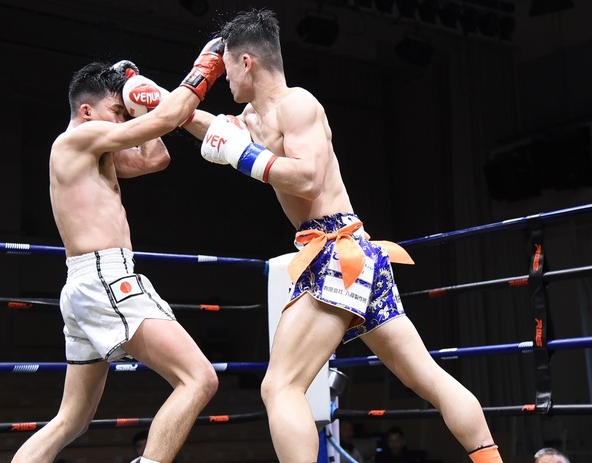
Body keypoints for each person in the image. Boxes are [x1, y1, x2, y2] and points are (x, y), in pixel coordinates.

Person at [195, 8, 505, 463]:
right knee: (428, 378)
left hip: (336, 251)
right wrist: (166, 94)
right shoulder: (252, 120)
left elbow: (307, 180)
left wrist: (245, 157)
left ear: (247, 62)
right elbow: (210, 128)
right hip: (354, 254)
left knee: (281, 386)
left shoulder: (297, 104)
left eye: (225, 69)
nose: (223, 78)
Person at [11, 37, 226, 463]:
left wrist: (135, 102)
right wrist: (204, 69)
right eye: (116, 111)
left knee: (72, 420)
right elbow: (166, 120)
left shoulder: (97, 153)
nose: (121, 120)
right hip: (106, 279)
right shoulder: (77, 139)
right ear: (86, 111)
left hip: (87, 285)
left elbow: (155, 157)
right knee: (199, 378)